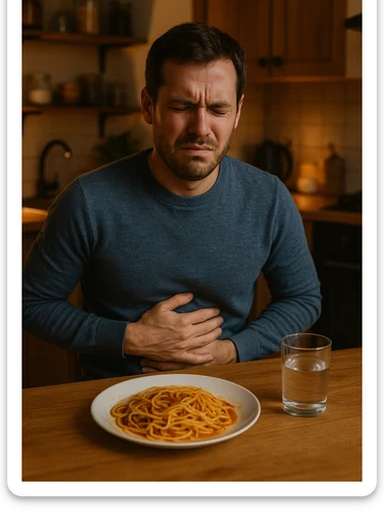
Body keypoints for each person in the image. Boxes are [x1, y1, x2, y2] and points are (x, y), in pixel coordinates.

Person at [22, 21, 322, 380]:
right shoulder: (88, 201)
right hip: (109, 397)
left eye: (218, 109)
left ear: (238, 111)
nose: (200, 127)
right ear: (149, 106)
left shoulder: (269, 198)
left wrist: (230, 351)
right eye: (181, 106)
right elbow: (30, 305)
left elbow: (302, 299)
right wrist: (132, 338)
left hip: (227, 395)